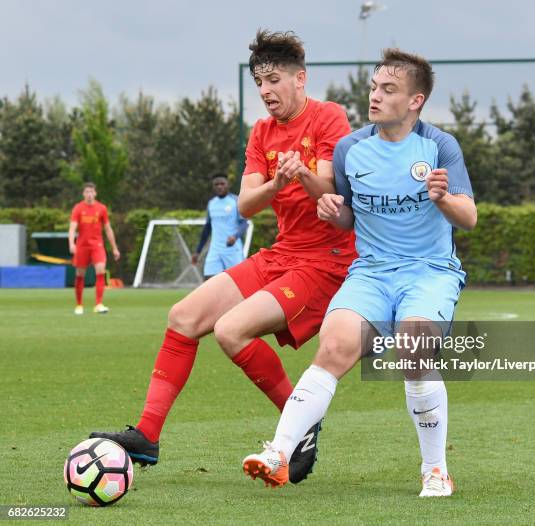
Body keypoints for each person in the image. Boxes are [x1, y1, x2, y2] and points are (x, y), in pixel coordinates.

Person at [90, 30, 356, 484]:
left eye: (273, 80)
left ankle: (298, 427)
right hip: (282, 253)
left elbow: (331, 188)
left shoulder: (329, 117)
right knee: (183, 316)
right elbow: (245, 204)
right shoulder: (263, 132)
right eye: (259, 83)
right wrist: (276, 183)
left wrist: (304, 174)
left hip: (325, 259)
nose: (266, 91)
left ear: (300, 79)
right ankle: (148, 436)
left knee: (231, 330)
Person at [242, 49, 477, 497]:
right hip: (370, 272)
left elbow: (468, 218)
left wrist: (443, 199)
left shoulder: (440, 146)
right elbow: (349, 215)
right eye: (373, 86)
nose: (375, 96)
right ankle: (279, 452)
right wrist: (334, 210)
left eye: (388, 89)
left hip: (428, 272)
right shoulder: (352, 149)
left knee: (414, 347)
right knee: (334, 345)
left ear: (415, 101)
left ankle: (435, 469)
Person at [68, 182, 120, 315]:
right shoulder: (78, 208)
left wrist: (114, 248)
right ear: (83, 194)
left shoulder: (101, 208)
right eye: (87, 192)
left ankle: (98, 304)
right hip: (82, 246)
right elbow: (73, 228)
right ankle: (79, 305)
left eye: (91, 192)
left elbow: (108, 229)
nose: (89, 194)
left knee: (100, 270)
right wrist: (71, 243)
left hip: (97, 245)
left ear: (95, 193)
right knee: (80, 274)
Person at [191, 173, 248, 279]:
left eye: (222, 184)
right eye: (216, 184)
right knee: (208, 281)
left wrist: (235, 237)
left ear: (228, 185)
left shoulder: (236, 201)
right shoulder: (211, 203)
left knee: (238, 281)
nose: (219, 187)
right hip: (215, 249)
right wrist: (197, 251)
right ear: (213, 187)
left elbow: (244, 223)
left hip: (232, 250)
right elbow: (207, 229)